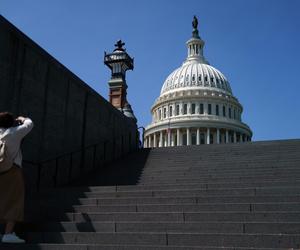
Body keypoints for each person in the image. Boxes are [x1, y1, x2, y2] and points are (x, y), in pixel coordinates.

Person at [0, 112, 34, 244]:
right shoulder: (13, 133)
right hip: (12, 170)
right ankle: (8, 234)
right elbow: (30, 124)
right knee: (14, 201)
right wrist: (22, 119)